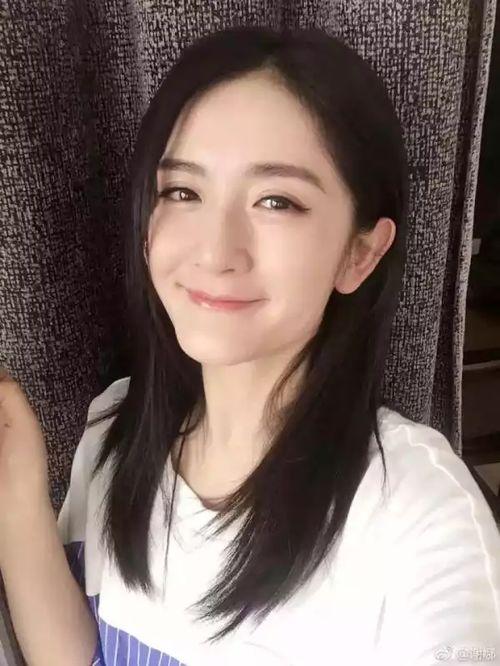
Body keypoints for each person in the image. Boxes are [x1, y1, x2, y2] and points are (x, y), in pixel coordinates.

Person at [0, 24, 499, 666]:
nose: (216, 251)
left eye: (276, 201)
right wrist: (16, 497)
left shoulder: (419, 512)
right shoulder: (113, 432)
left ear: (359, 254)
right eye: (183, 192)